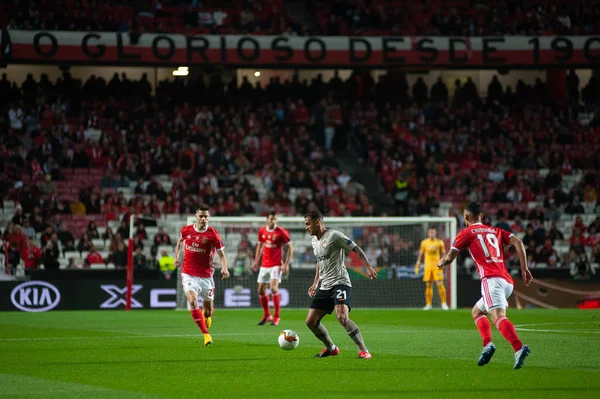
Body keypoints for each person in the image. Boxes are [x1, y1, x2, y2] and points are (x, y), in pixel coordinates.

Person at [437, 202, 533, 369]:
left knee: (497, 316)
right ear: (481, 216)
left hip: (491, 280)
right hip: (507, 282)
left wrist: (440, 262)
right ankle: (487, 345)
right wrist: (524, 269)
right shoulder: (495, 231)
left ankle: (519, 347)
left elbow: (450, 257)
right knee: (477, 311)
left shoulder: (466, 232)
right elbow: (518, 242)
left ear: (466, 217)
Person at [303, 209, 378, 359]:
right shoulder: (314, 241)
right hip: (325, 286)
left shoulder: (335, 236)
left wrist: (368, 266)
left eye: (308, 224)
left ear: (317, 222)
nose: (306, 227)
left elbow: (356, 248)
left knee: (342, 317)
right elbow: (320, 261)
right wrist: (315, 282)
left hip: (340, 283)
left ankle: (364, 350)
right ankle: (331, 348)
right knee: (311, 321)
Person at [175, 204, 229, 347]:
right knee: (192, 301)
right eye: (201, 216)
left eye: (206, 216)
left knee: (207, 312)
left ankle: (207, 316)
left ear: (209, 217)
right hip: (188, 274)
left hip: (206, 276)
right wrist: (176, 257)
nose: (203, 219)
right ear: (196, 216)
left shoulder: (213, 234)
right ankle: (206, 334)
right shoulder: (186, 230)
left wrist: (224, 267)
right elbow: (179, 243)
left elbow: (221, 255)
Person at [252, 212, 293, 326]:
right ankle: (267, 315)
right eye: (271, 219)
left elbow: (290, 247)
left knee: (273, 289)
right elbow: (260, 246)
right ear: (267, 219)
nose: (273, 221)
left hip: (276, 264)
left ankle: (277, 316)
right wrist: (256, 261)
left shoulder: (281, 232)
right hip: (264, 265)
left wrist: (286, 264)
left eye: (275, 219)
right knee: (260, 290)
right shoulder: (262, 231)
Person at [414, 228, 449, 310]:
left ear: (435, 233)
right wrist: (418, 264)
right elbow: (421, 254)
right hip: (428, 266)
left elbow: (444, 254)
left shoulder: (440, 242)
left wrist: (442, 262)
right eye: (430, 232)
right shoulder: (424, 243)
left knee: (440, 284)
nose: (432, 234)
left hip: (437, 266)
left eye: (433, 232)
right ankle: (428, 304)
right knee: (428, 285)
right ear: (428, 233)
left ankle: (444, 303)